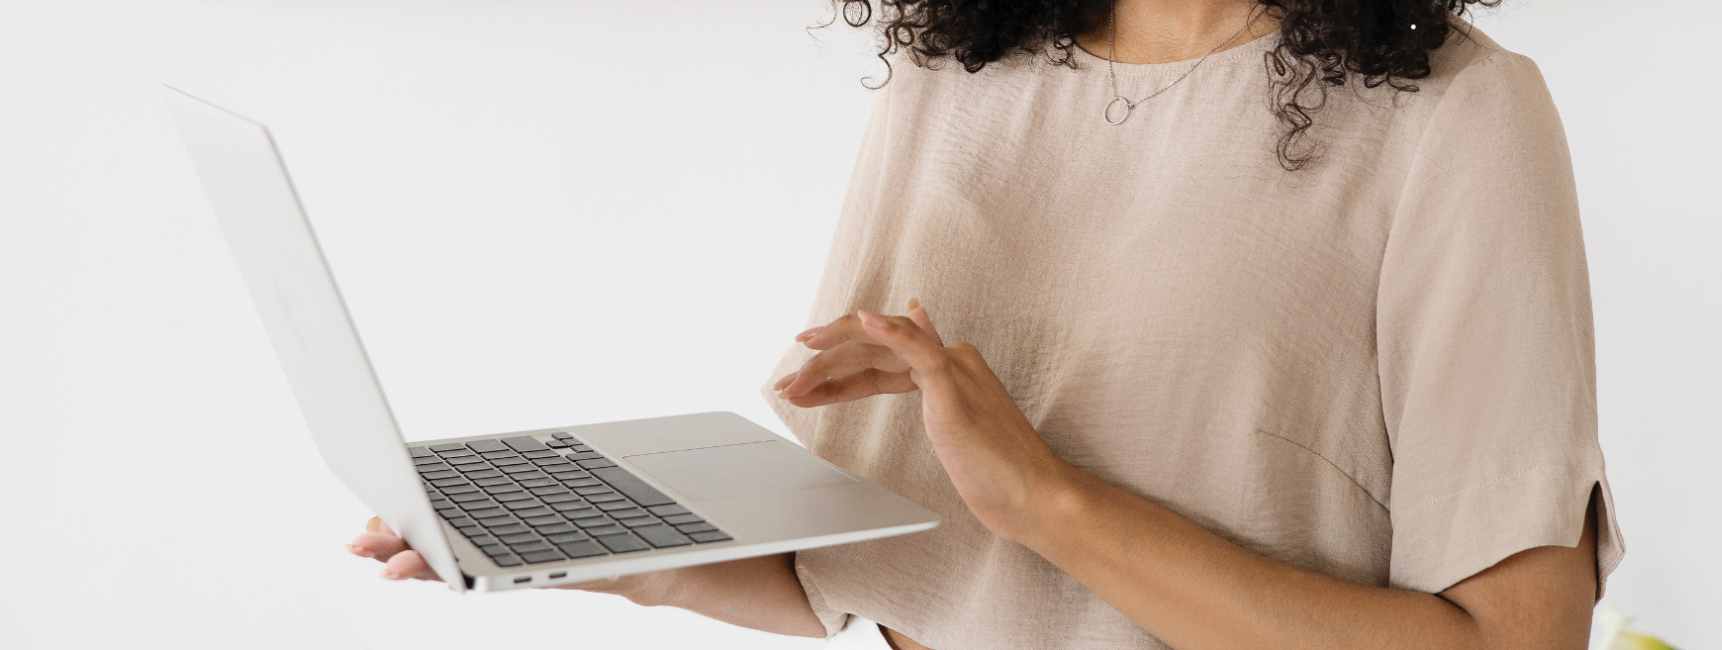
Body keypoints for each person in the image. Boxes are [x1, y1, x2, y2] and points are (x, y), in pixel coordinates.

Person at [348, 0, 1625, 648]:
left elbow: (1518, 641)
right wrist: (597, 543)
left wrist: (1050, 502)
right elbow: (868, 547)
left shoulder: (1457, 116)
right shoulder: (953, 73)